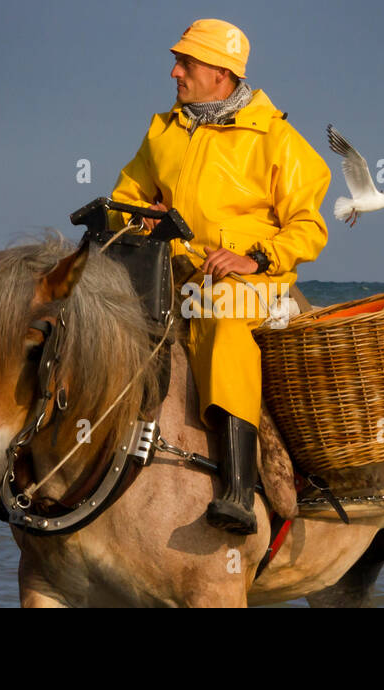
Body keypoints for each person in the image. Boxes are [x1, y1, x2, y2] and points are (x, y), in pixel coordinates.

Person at [108, 18, 331, 535]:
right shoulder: (161, 131)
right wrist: (135, 216)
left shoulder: (278, 140)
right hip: (168, 270)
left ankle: (236, 488)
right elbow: (125, 196)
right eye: (177, 61)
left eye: (186, 63)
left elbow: (310, 227)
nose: (174, 72)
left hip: (250, 281)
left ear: (220, 74)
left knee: (223, 319)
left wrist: (254, 257)